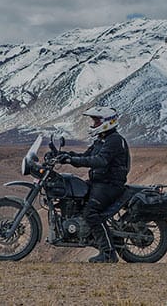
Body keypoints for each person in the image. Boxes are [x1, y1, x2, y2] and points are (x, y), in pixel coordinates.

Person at [58, 106, 131, 263]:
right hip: (98, 182)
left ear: (106, 122)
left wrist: (72, 160)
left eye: (96, 120)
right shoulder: (101, 139)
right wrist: (64, 155)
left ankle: (108, 253)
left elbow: (100, 160)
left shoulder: (115, 140)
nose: (93, 123)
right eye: (93, 120)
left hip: (110, 184)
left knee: (91, 213)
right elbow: (86, 156)